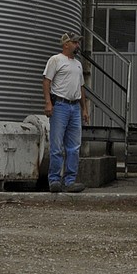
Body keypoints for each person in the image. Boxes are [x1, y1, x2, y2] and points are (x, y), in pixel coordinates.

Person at [43, 30, 89, 193]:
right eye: (75, 42)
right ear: (66, 44)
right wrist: (49, 103)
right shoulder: (55, 60)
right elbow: (47, 82)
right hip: (60, 105)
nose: (77, 45)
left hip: (75, 106)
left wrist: (84, 109)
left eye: (78, 42)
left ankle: (70, 181)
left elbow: (81, 87)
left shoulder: (78, 64)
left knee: (74, 146)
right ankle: (54, 180)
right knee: (57, 145)